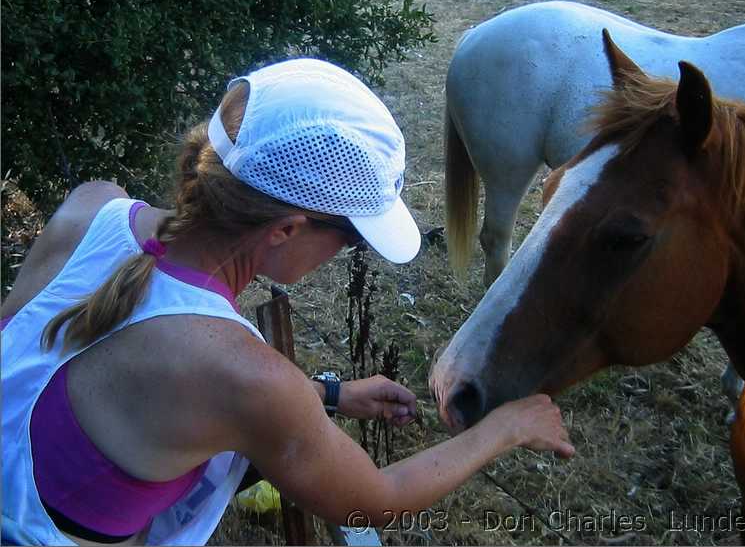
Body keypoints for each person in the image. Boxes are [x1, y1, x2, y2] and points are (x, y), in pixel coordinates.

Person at [1, 58, 575, 546]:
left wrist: (329, 395)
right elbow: (375, 502)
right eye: (350, 237)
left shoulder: (90, 207)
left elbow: (140, 372)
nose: (348, 252)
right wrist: (507, 427)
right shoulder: (244, 374)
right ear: (284, 230)